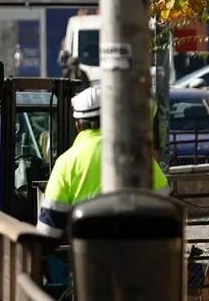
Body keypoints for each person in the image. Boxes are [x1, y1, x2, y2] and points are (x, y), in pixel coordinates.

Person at [36, 86, 170, 239]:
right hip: (135, 256)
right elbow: (166, 206)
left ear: (78, 126)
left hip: (88, 258)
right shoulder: (136, 154)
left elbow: (48, 232)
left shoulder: (65, 163)